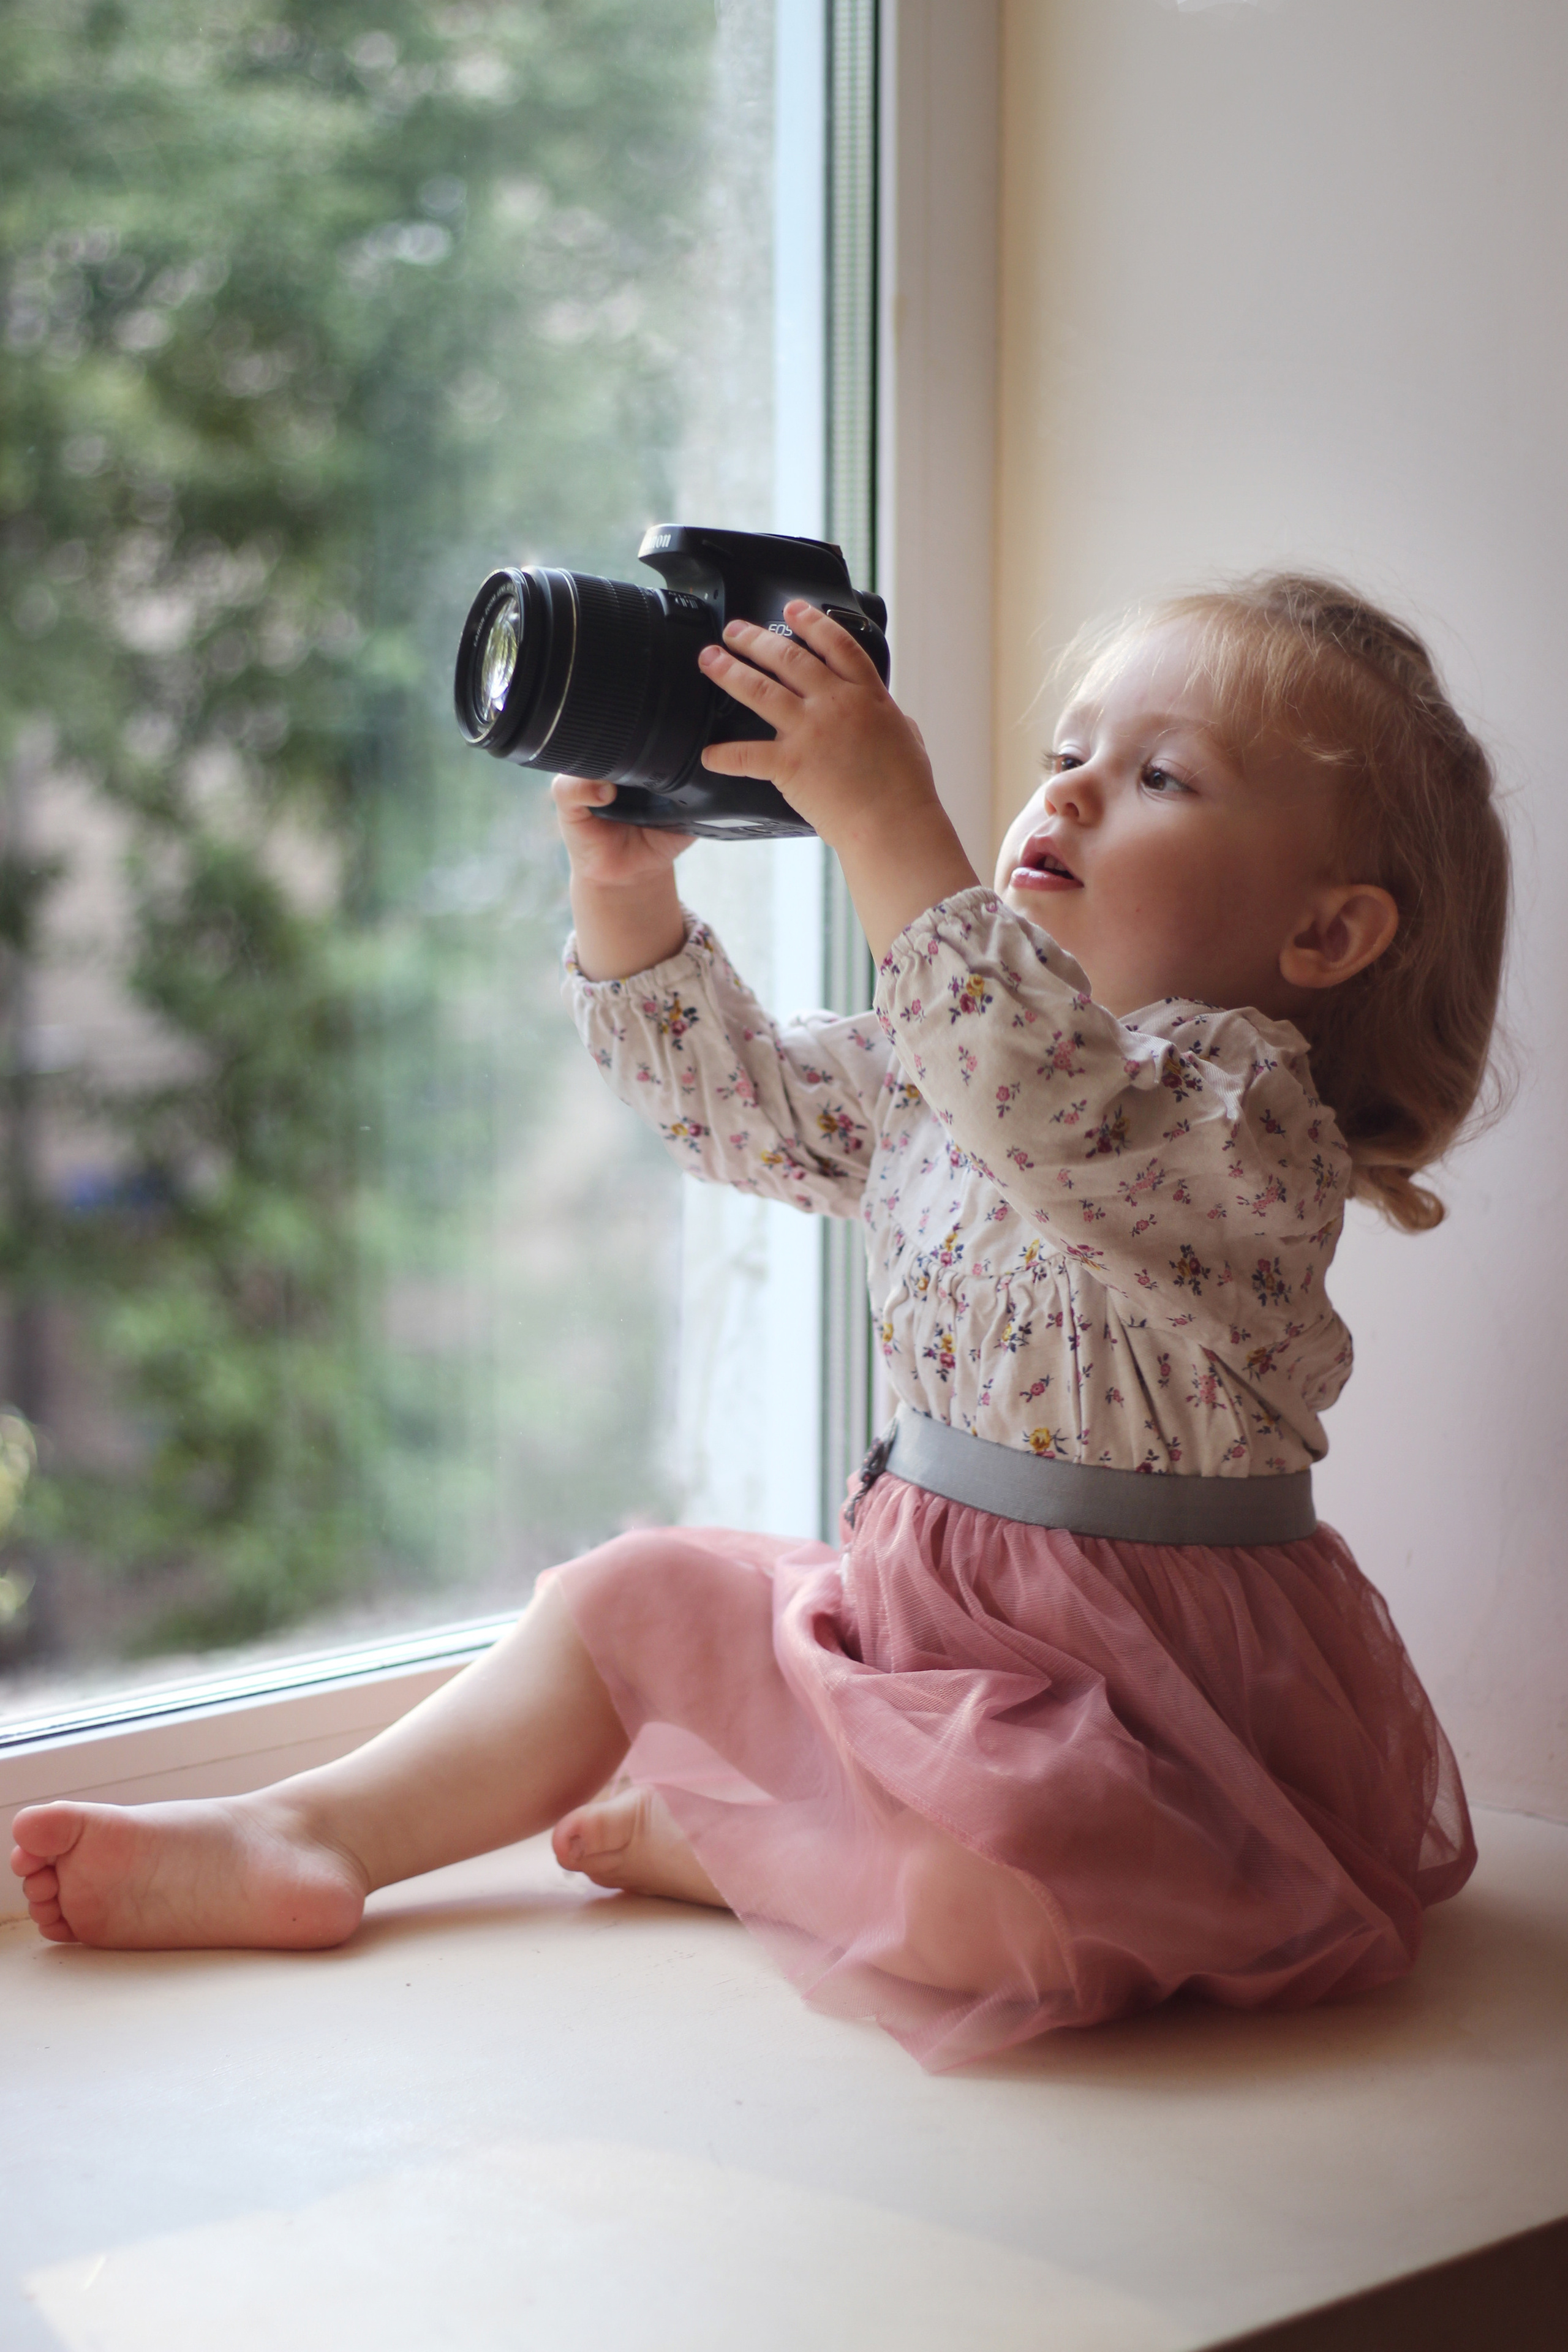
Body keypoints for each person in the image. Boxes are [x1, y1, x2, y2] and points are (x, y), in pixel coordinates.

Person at [9, 573, 1506, 2070]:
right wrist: (629, 894)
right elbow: (745, 1115)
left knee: (1008, 1895)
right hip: (918, 1634)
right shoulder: (950, 1060)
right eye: (1067, 754)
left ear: (1325, 935)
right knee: (633, 1589)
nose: (1073, 795)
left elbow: (1043, 1097)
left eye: (1160, 775)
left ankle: (756, 1838)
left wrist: (878, 816)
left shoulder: (1240, 1120)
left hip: (1148, 1714)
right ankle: (306, 1827)